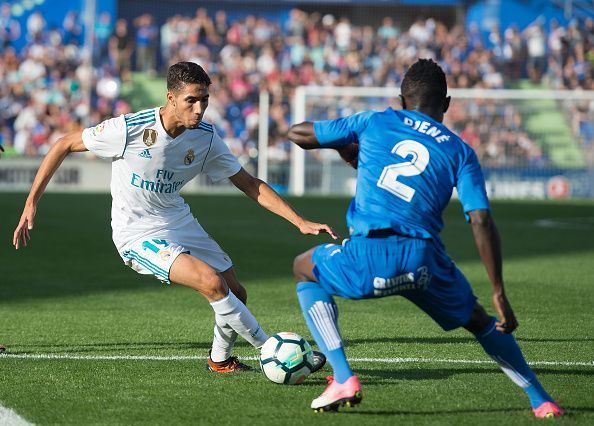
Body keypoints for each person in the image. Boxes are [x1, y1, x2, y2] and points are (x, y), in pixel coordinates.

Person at [13, 61, 335, 373]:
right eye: (191, 101)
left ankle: (220, 360)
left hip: (178, 221)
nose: (199, 109)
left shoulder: (206, 138)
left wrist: (299, 221)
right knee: (211, 283)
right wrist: (31, 203)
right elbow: (63, 144)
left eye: (204, 101)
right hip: (136, 232)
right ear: (171, 98)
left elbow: (250, 184)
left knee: (237, 293)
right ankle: (271, 350)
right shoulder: (130, 129)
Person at [287, 58, 564, 417]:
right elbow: (480, 219)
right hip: (424, 260)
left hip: (369, 253)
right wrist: (498, 290)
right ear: (446, 104)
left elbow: (298, 133)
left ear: (400, 100)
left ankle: (343, 377)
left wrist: (344, 145)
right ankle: (541, 401)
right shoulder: (461, 151)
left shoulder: (375, 121)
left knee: (303, 267)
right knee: (480, 321)